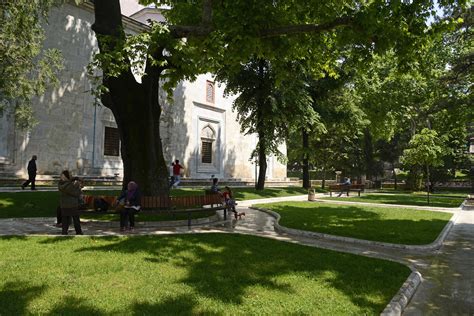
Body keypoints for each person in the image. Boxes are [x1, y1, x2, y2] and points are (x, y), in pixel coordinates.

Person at [58, 170, 83, 235]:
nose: (71, 176)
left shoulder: (61, 184)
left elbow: (69, 180)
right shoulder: (70, 186)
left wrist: (75, 179)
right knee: (76, 220)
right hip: (72, 205)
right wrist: (78, 187)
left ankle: (64, 232)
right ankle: (79, 232)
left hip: (64, 205)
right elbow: (76, 193)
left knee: (65, 220)